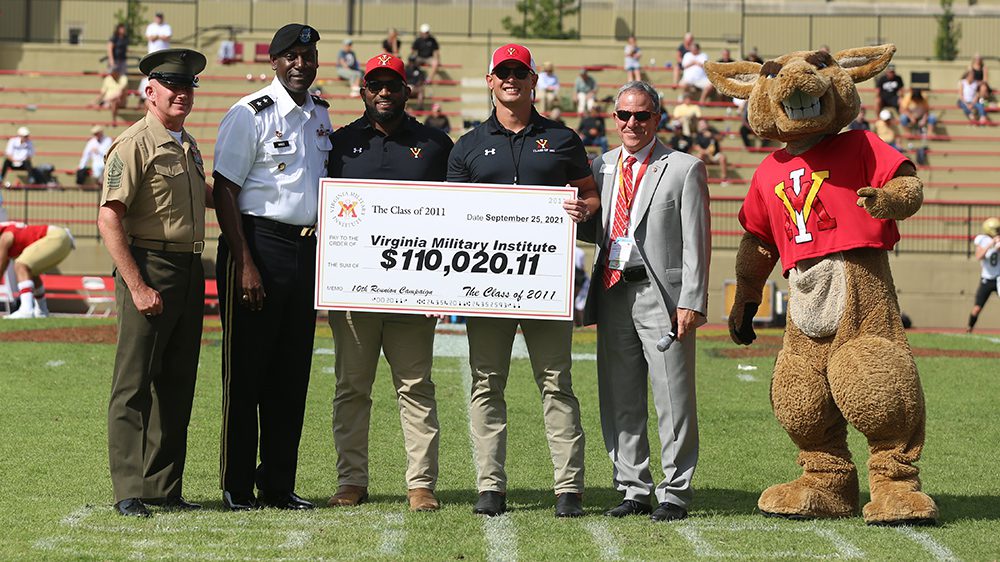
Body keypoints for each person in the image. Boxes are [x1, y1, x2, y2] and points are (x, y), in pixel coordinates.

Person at [447, 43, 600, 518]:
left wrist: (583, 209)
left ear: (534, 81)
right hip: (486, 287)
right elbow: (448, 220)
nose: (511, 78)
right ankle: (489, 486)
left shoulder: (563, 139)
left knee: (556, 382)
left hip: (546, 283)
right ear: (490, 80)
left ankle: (568, 488)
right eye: (503, 71)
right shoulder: (467, 146)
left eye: (520, 71)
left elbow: (592, 198)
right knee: (486, 383)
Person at [326, 53, 454, 512]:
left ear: (408, 91)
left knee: (416, 387)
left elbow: (454, 218)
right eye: (375, 85)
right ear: (363, 91)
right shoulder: (337, 144)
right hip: (353, 292)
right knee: (351, 388)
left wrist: (442, 287)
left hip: (413, 292)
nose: (384, 92)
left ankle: (421, 484)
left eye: (393, 85)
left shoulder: (437, 144)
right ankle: (351, 480)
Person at [577, 80, 710, 522]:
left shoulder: (684, 168)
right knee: (620, 396)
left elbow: (697, 242)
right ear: (613, 119)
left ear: (658, 118)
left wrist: (691, 300)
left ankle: (675, 491)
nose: (631, 123)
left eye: (641, 115)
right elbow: (590, 228)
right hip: (613, 289)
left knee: (672, 397)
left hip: (662, 296)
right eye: (623, 115)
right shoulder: (600, 166)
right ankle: (633, 487)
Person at [213, 23, 332, 512]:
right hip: (257, 246)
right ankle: (238, 487)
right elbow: (224, 189)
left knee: (291, 375)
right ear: (275, 61)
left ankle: (278, 484)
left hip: (305, 252)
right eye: (292, 56)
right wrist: (245, 262)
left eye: (309, 55)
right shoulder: (250, 113)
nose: (301, 63)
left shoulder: (319, 113)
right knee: (247, 374)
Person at [96, 48, 209, 517]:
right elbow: (108, 219)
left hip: (189, 270)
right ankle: (128, 489)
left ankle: (164, 486)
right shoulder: (134, 144)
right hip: (149, 266)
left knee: (178, 383)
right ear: (150, 90)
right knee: (133, 383)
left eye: (188, 87)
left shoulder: (188, 144)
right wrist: (138, 285)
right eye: (172, 85)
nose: (181, 93)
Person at [0, 221, 74, 319]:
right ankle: (42, 311)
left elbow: (1, 264)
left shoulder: (5, 236)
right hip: (63, 239)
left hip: (57, 237)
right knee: (30, 271)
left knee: (20, 265)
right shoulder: (10, 233)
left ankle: (26, 309)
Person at [968, 217, 1000, 333]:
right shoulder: (983, 240)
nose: (998, 231)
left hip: (999, 278)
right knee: (977, 308)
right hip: (986, 279)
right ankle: (969, 328)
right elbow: (978, 256)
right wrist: (991, 244)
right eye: (996, 229)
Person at [693, 117, 729, 184]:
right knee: (699, 156)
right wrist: (705, 152)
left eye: (703, 124)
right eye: (700, 125)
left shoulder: (712, 131)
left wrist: (712, 135)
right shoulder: (698, 135)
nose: (702, 126)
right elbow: (697, 147)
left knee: (722, 157)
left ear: (707, 125)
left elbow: (721, 138)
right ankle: (705, 177)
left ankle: (724, 178)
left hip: (715, 155)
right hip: (706, 156)